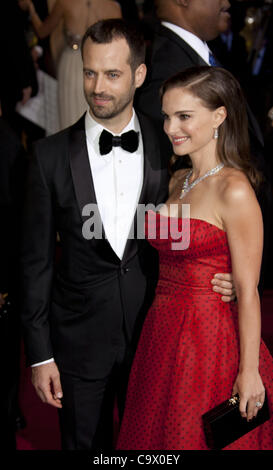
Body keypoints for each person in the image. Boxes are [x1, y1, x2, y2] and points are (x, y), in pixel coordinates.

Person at [20, 20, 234, 451]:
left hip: (156, 335)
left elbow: (212, 211)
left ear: (138, 75)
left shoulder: (169, 146)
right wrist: (40, 353)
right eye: (89, 72)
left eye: (113, 74)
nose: (98, 87)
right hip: (79, 343)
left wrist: (227, 274)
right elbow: (35, 264)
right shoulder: (48, 157)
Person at [116, 66, 273, 450]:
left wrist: (249, 372)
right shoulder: (176, 179)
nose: (171, 127)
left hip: (209, 340)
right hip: (162, 330)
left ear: (219, 116)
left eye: (185, 116)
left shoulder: (234, 189)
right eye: (167, 116)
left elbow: (249, 291)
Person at [18, 0, 122, 129]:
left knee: (71, 118)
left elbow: (42, 31)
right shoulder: (112, 7)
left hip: (73, 63)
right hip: (103, 64)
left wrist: (31, 9)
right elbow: (120, 45)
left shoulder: (65, 3)